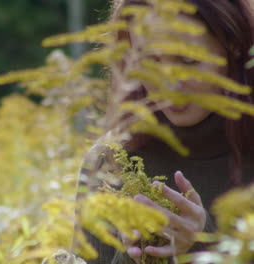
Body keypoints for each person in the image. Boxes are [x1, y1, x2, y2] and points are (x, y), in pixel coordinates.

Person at [77, 0, 254, 263]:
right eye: (151, 60)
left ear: (233, 48)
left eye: (188, 60)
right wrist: (138, 253)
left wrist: (201, 247)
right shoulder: (109, 161)